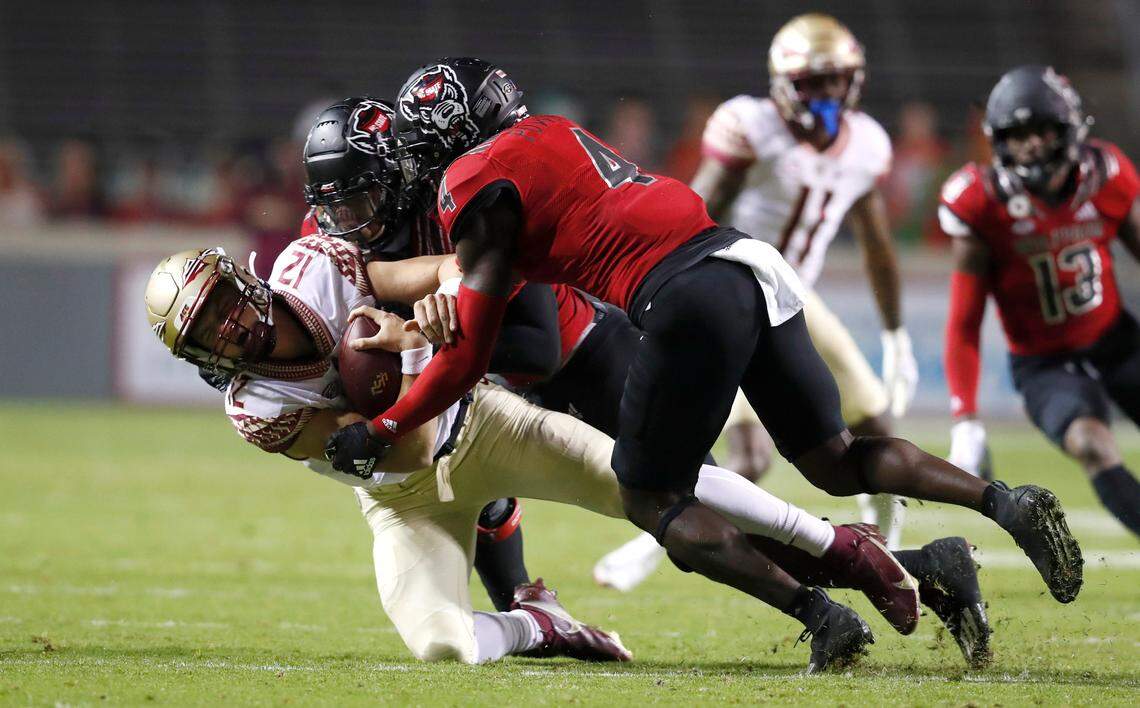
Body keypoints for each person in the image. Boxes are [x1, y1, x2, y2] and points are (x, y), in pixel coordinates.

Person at [323, 55, 1083, 659]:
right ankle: (995, 508)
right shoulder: (542, 137)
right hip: (743, 262)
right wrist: (409, 328)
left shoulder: (471, 184)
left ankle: (823, 617)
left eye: (372, 188)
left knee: (661, 501)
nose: (372, 204)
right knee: (833, 457)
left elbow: (509, 338)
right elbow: (497, 280)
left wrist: (385, 426)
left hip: (659, 310)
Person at [144, 240, 927, 671]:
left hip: (488, 425)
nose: (227, 327)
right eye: (205, 329)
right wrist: (412, 358)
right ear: (196, 353)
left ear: (237, 277)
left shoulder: (311, 266)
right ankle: (538, 626)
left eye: (219, 304)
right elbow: (405, 445)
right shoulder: (255, 408)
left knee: (658, 481)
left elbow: (445, 270)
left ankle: (846, 549)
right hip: (404, 493)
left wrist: (434, 308)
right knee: (442, 644)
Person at [694, 12, 913, 541]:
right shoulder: (752, 125)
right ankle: (668, 536)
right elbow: (692, 210)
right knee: (749, 456)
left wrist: (894, 331)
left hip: (794, 298)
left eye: (836, 79)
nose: (826, 94)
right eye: (813, 82)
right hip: (731, 291)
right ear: (784, 84)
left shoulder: (866, 144)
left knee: (877, 423)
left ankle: (891, 548)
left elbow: (877, 246)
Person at [941, 65, 1140, 539]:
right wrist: (965, 418)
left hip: (1116, 339)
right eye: (1017, 134)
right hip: (1042, 364)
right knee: (1092, 444)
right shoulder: (982, 202)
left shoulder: (1107, 175)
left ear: (1067, 129)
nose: (1029, 144)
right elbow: (964, 323)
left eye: (1041, 130)